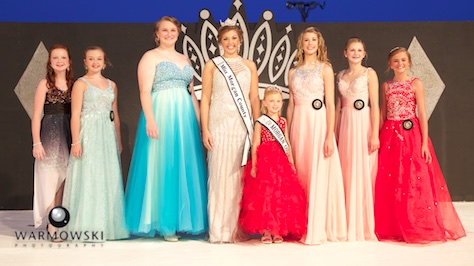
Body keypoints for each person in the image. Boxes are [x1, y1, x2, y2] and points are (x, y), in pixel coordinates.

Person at [125, 16, 208, 242]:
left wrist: (200, 125)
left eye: (173, 30)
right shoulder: (150, 57)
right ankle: (165, 223)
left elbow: (192, 94)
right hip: (161, 112)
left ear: (178, 32)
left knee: (183, 165)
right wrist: (150, 120)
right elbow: (144, 91)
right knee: (163, 165)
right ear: (157, 33)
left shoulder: (185, 59)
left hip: (185, 117)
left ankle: (183, 220)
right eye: (164, 30)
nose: (169, 34)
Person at [374, 47, 466, 243]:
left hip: (411, 134)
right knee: (391, 178)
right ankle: (394, 225)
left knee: (412, 177)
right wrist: (378, 136)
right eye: (396, 61)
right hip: (390, 134)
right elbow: (383, 113)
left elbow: (422, 113)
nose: (400, 64)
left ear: (409, 63)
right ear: (390, 64)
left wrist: (424, 142)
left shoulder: (416, 83)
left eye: (403, 60)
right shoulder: (386, 86)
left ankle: (415, 222)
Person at [201, 19, 260, 243]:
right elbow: (205, 97)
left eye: (234, 38)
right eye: (226, 39)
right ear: (220, 42)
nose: (230, 42)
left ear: (241, 40)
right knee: (219, 175)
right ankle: (219, 229)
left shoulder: (249, 65)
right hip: (219, 124)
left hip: (241, 126)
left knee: (238, 178)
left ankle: (235, 228)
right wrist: (205, 128)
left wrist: (256, 127)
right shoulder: (212, 65)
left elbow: (254, 97)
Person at [287, 27, 347, 245]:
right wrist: (287, 135)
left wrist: (330, 135)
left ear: (319, 43)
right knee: (301, 173)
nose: (310, 43)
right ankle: (299, 224)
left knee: (317, 172)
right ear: (301, 44)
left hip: (319, 124)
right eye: (306, 40)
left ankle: (316, 226)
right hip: (299, 127)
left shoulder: (326, 69)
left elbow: (331, 104)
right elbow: (291, 107)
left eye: (313, 40)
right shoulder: (292, 72)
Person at [62, 46, 129, 241]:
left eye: (99, 59)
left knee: (107, 177)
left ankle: (109, 226)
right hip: (88, 133)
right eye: (91, 59)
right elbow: (74, 114)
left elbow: (114, 114)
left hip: (107, 136)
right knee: (89, 175)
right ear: (85, 61)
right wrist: (76, 142)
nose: (95, 62)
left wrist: (118, 140)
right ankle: (86, 225)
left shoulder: (112, 85)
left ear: (104, 61)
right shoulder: (80, 84)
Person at [239, 86, 307, 244]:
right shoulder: (260, 122)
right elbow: (255, 144)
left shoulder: (283, 122)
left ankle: (277, 231)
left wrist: (292, 163)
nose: (275, 104)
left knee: (280, 196)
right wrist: (255, 166)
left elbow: (287, 143)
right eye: (271, 101)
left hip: (281, 163)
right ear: (265, 103)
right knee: (266, 197)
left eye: (278, 101)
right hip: (265, 163)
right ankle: (266, 231)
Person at [335, 37, 379, 241]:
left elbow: (376, 106)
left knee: (362, 170)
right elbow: (337, 107)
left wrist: (375, 134)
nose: (355, 53)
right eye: (352, 50)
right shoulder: (340, 75)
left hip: (363, 124)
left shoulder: (370, 74)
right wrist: (334, 131)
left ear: (364, 53)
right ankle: (345, 222)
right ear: (345, 53)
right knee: (346, 169)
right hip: (345, 125)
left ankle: (361, 223)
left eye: (359, 50)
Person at [31, 44, 73, 240]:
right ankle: (52, 225)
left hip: (68, 137)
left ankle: (57, 222)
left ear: (69, 62)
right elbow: (37, 115)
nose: (59, 60)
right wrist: (36, 143)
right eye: (55, 57)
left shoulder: (75, 86)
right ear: (50, 62)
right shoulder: (44, 85)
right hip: (49, 138)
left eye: (63, 57)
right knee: (49, 181)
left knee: (63, 182)